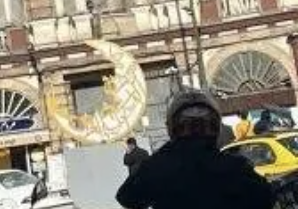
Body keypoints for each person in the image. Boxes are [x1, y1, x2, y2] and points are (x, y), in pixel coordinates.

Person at [115, 89, 274, 209]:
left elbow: (126, 197)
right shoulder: (233, 166)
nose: (196, 128)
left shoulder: (159, 166)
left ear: (172, 128)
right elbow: (266, 198)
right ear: (215, 128)